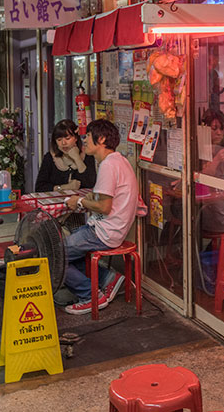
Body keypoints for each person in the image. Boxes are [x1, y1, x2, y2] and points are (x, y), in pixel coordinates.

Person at [64, 119, 138, 315]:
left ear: (102, 139)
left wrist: (79, 202)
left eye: (88, 136)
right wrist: (91, 199)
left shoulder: (108, 165)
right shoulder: (118, 161)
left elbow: (104, 207)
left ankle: (90, 296)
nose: (84, 140)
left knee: (52, 256)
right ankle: (107, 279)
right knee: (66, 251)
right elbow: (104, 200)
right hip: (109, 229)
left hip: (103, 232)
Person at [35, 119, 97, 192]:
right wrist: (63, 187)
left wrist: (77, 158)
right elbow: (39, 187)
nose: (63, 143)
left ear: (76, 138)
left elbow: (90, 183)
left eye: (68, 138)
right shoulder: (50, 157)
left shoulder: (87, 154)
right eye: (59, 140)